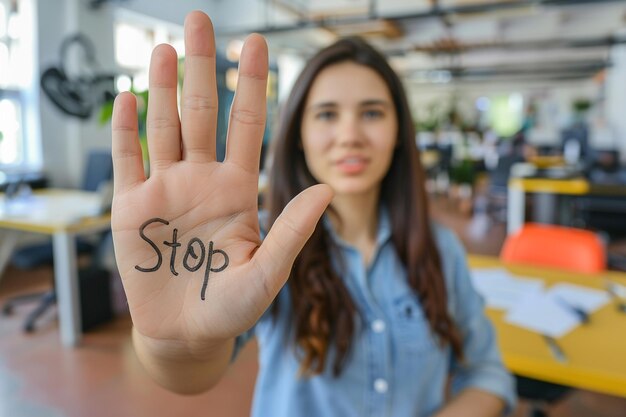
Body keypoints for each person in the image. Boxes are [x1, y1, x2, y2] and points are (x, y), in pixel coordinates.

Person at [110, 10, 516, 417]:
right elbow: (193, 377)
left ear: (398, 132)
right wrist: (177, 344)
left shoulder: (441, 250)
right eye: (326, 114)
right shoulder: (256, 248)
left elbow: (488, 373)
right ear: (299, 134)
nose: (350, 135)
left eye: (372, 113)